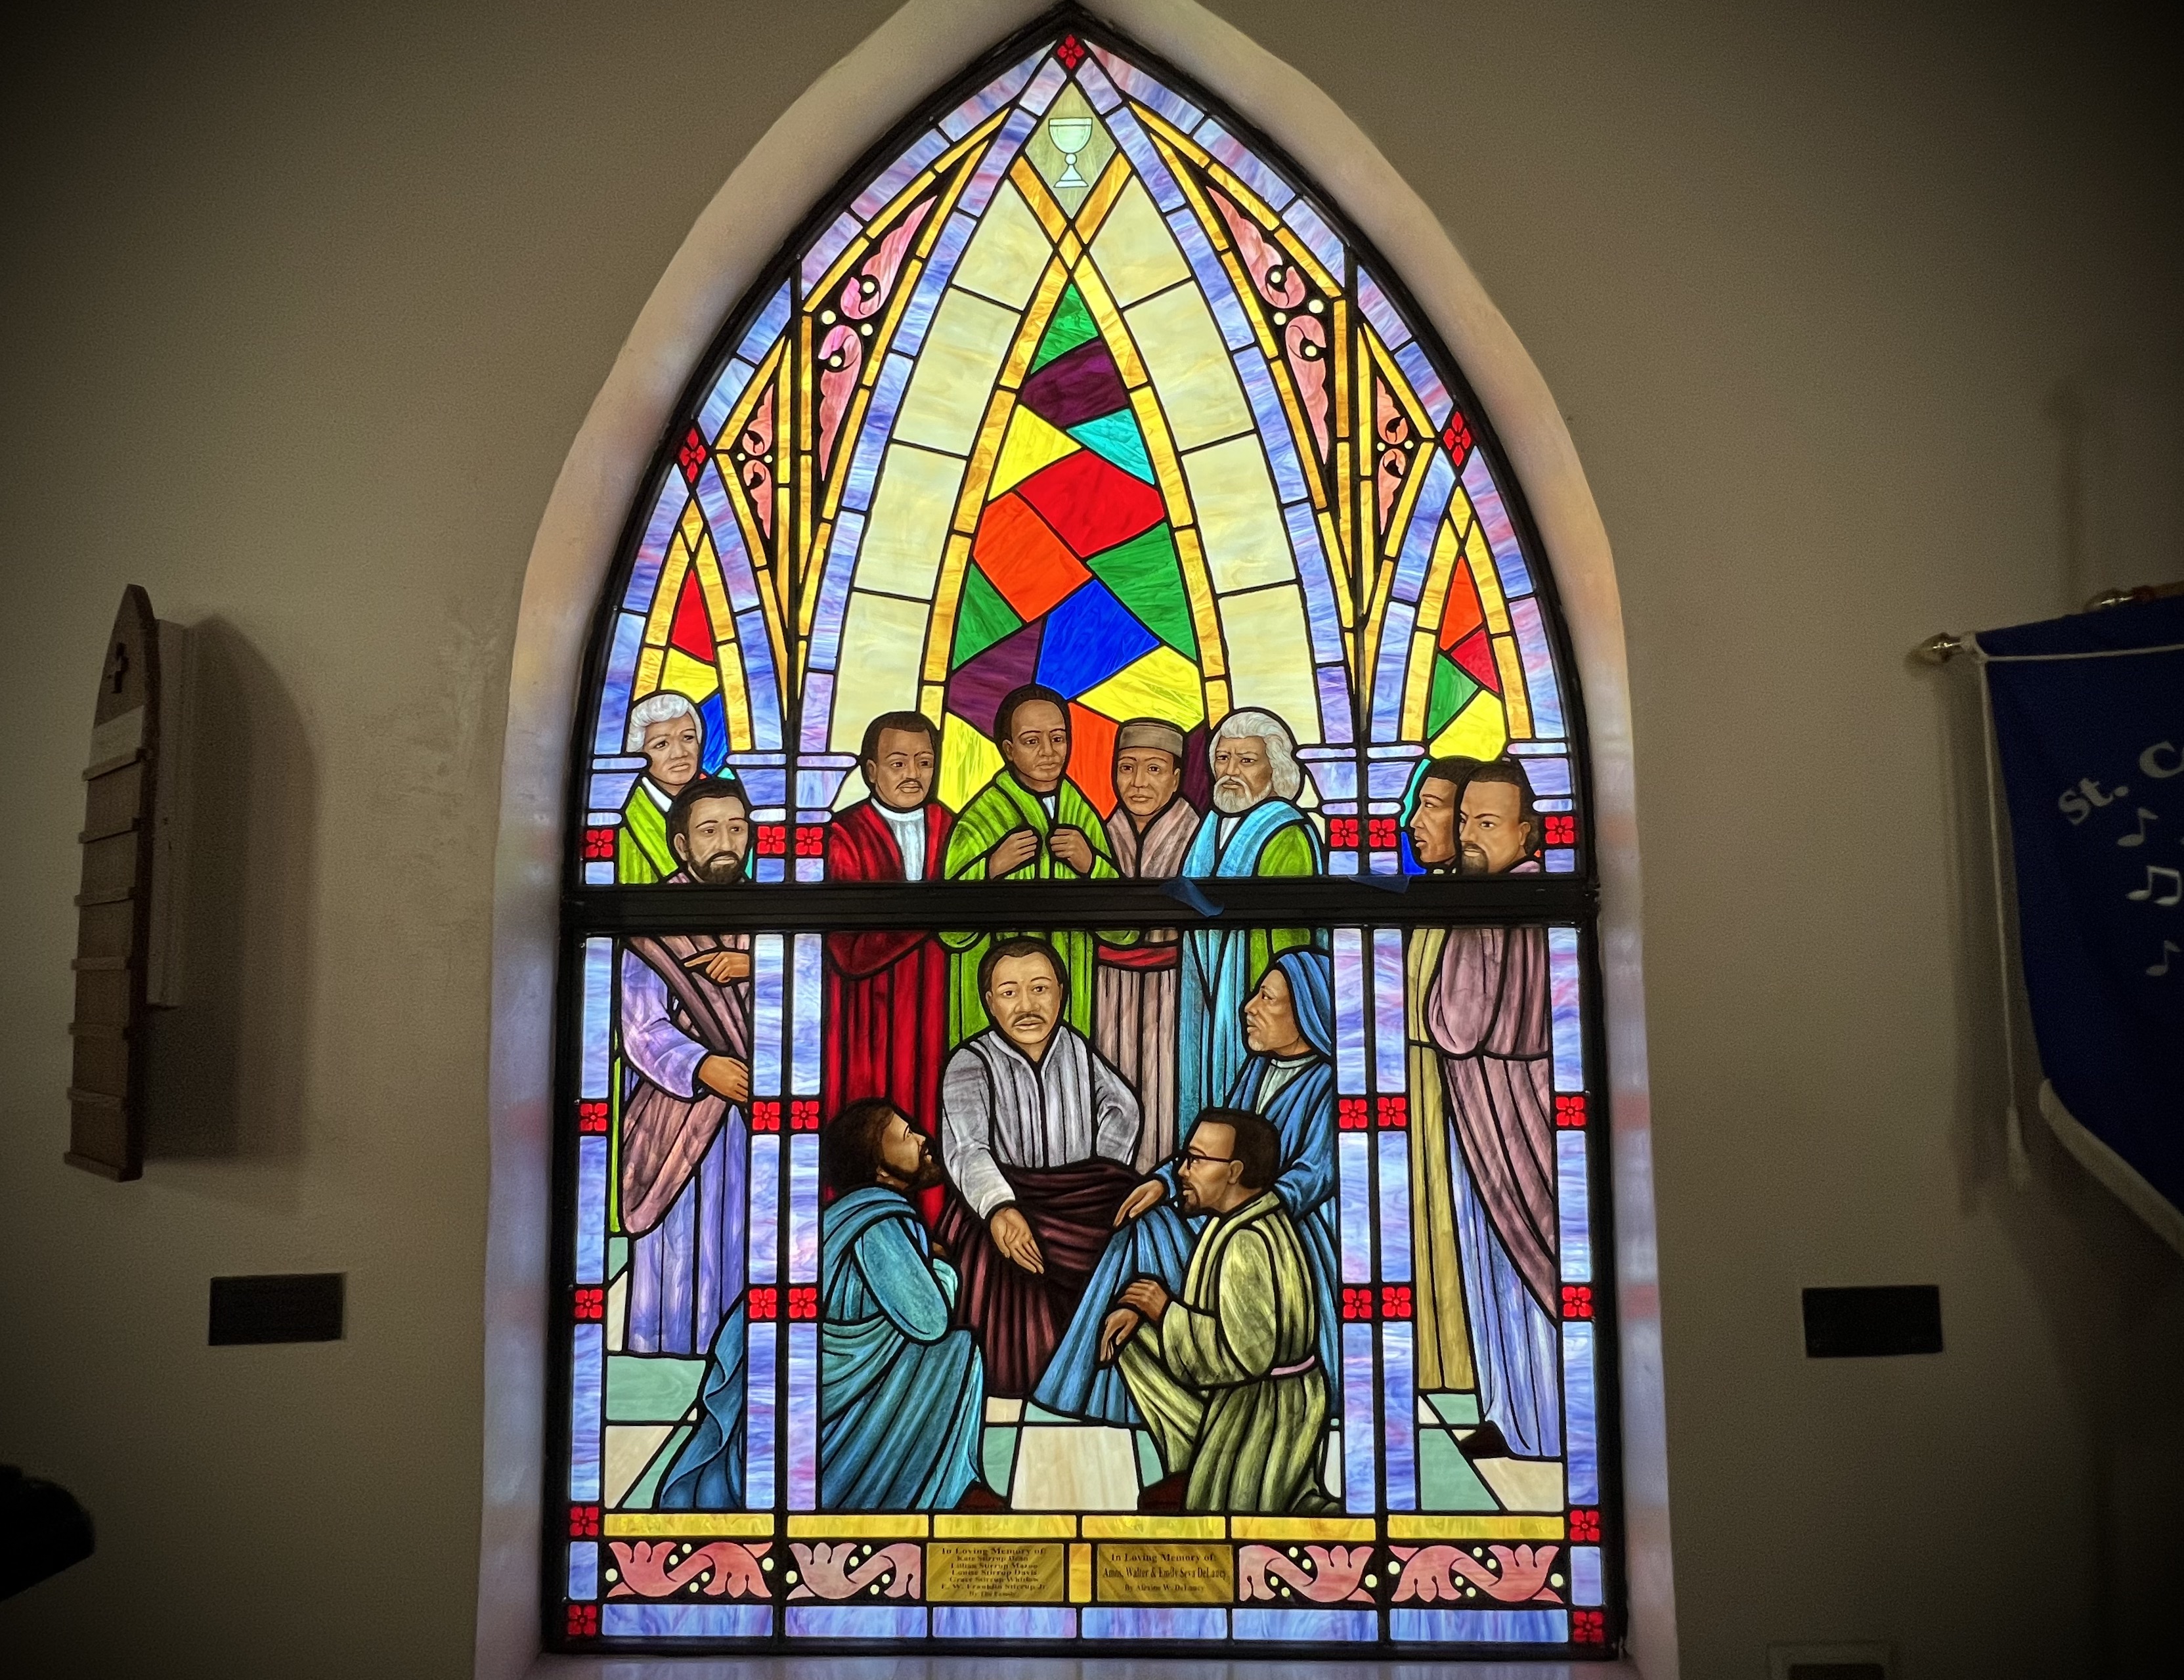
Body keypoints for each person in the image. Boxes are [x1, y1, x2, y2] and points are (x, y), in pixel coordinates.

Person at [1035, 949, 1341, 1431]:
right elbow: (1214, 1144)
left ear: (1308, 1011)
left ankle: (1115, 1384)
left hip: (1279, 1238)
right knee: (1142, 1225)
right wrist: (1163, 1181)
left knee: (1151, 1236)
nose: (1249, 1006)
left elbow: (1315, 1174)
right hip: (1226, 1212)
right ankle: (1106, 1390)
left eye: (1268, 998)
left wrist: (1238, 1207)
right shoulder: (1258, 1070)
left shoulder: (1329, 1084)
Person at [661, 1100, 989, 1513]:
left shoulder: (843, 1216)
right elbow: (930, 1322)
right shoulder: (879, 1221)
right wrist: (940, 1268)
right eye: (908, 1134)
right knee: (957, 1353)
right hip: (832, 1409)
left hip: (820, 1392)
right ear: (880, 1167)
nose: (924, 1139)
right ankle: (913, 1491)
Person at [1407, 758, 1562, 1459]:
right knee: (1491, 1256)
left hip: (1513, 1107)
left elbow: (1460, 1024)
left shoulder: (1511, 904)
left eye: (1488, 824)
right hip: (1482, 1101)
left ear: (1529, 833)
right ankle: (1511, 1411)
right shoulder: (1487, 897)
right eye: (1465, 820)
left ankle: (1546, 1420)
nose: (1469, 835)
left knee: (1521, 1246)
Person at [1097, 1109, 1336, 1515]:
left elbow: (1246, 1357)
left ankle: (1218, 1478)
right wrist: (1149, 1316)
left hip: (1264, 1416)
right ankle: (1190, 1465)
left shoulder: (1248, 1241)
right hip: (1251, 1396)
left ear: (1234, 1172)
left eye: (1195, 1160)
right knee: (1132, 1337)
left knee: (1231, 1515)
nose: (1182, 1172)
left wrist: (1163, 1309)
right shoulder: (1238, 1220)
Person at [934, 937, 1141, 1398]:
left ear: (1062, 993)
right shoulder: (970, 1061)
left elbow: (1123, 1109)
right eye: (1010, 992)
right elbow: (967, 1149)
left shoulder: (1076, 1048)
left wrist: (1097, 1179)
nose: (1027, 1006)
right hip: (1001, 1206)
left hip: (1075, 1211)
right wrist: (1000, 1207)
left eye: (1040, 988)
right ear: (989, 1001)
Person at [617, 777, 754, 1358]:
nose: (726, 842)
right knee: (682, 1247)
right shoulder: (655, 922)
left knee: (748, 1233)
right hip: (678, 1114)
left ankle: (745, 1356)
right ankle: (673, 1356)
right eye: (709, 830)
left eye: (737, 828)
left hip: (756, 1114)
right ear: (681, 844)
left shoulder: (770, 913)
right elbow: (641, 1029)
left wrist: (756, 962)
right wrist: (702, 1066)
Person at [823, 711, 955, 1220]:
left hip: (936, 1010)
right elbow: (848, 950)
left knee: (932, 1114)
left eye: (925, 762)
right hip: (866, 1017)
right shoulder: (844, 835)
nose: (913, 774)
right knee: (871, 1124)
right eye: (898, 763)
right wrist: (933, 911)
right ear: (870, 770)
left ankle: (933, 1227)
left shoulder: (951, 827)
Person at [941, 685, 1122, 1045]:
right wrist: (991, 868)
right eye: (1032, 741)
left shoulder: (1081, 812)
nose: (1049, 752)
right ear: (1008, 749)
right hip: (996, 999)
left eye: (1058, 738)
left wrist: (1092, 866)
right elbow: (949, 931)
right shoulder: (984, 816)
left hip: (1070, 988)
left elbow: (1122, 931)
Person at [1176, 708, 1321, 1129]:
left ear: (1275, 770)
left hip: (1257, 994)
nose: (1230, 772)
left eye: (1247, 760)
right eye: (1223, 759)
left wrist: (1274, 1005)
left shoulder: (1287, 831)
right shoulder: (1209, 826)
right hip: (1205, 993)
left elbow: (1291, 940)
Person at [1093, 718, 1198, 1172]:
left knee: (1166, 1090)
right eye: (1126, 768)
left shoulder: (1197, 835)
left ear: (1176, 777)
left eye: (1154, 769)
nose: (1138, 782)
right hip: (1107, 986)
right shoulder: (1102, 832)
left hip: (1174, 988)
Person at [618, 691, 709, 883]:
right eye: (661, 744)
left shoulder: (722, 799)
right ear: (639, 754)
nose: (679, 753)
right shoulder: (625, 814)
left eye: (688, 738)